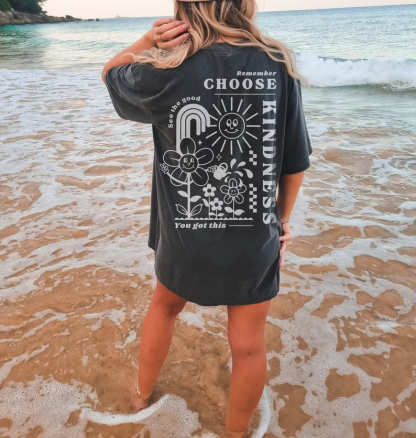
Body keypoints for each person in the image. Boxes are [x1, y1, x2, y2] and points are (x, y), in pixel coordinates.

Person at [101, 1, 312, 436]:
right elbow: (295, 164)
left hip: (185, 236)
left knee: (164, 308)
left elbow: (110, 74)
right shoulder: (277, 63)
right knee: (248, 347)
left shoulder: (168, 66)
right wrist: (282, 221)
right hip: (253, 240)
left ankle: (140, 396)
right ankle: (235, 433)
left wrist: (147, 41)